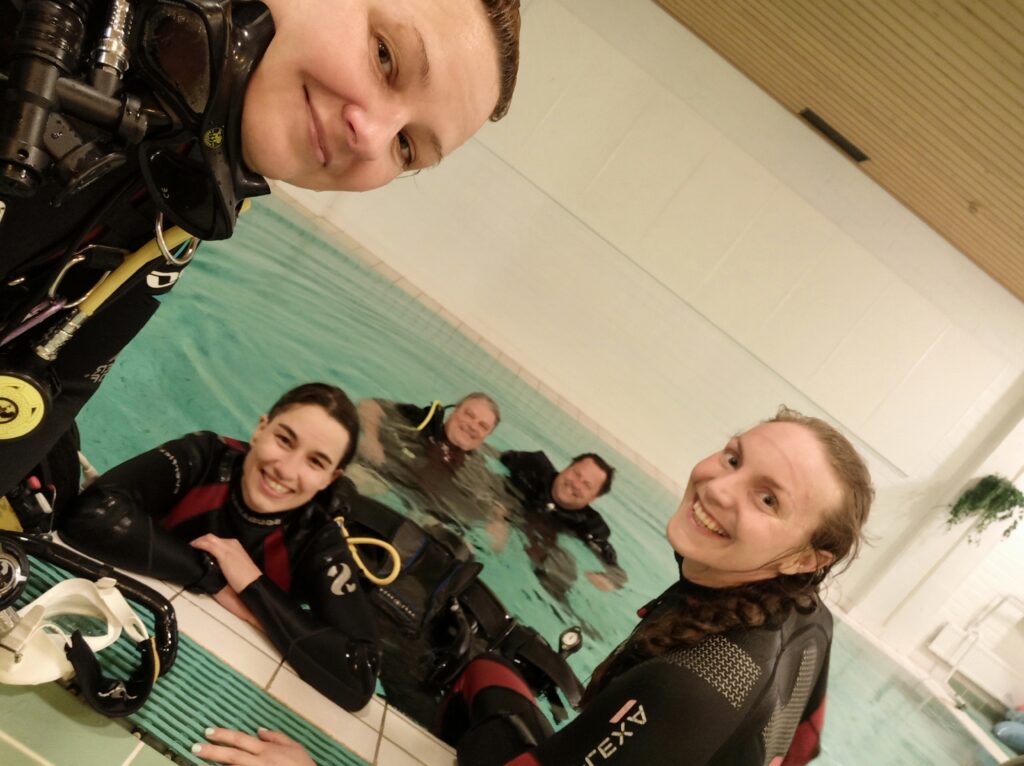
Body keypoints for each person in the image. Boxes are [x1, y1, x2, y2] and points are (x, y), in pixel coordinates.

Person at [0, 0, 522, 511]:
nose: (373, 138)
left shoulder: (180, 193)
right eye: (385, 56)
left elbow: (62, 380)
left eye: (406, 146)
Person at [191, 405, 875, 766]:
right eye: (733, 456)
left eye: (766, 499)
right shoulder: (806, 621)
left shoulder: (693, 688)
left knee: (462, 675)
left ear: (804, 556)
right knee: (487, 664)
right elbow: (800, 746)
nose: (718, 487)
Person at [57, 383, 382, 712]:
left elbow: (358, 679)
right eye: (284, 440)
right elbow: (91, 514)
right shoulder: (204, 457)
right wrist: (213, 576)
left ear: (331, 478)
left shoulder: (318, 535)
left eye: (316, 462)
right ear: (260, 429)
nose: (286, 469)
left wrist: (253, 584)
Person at [358, 393, 501, 473]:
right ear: (455, 411)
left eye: (482, 426)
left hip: (424, 505)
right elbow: (370, 405)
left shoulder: (475, 466)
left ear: (486, 436)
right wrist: (371, 438)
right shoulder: (420, 419)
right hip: (383, 474)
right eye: (469, 415)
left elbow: (493, 497)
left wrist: (497, 519)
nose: (472, 426)